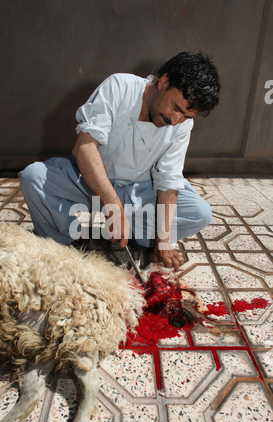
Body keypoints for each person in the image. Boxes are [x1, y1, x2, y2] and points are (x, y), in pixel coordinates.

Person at [19, 52, 220, 271]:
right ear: (164, 81)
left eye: (186, 116)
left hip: (141, 189)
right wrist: (113, 206)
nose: (175, 120)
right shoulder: (120, 86)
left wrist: (163, 241)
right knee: (34, 178)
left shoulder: (182, 124)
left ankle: (142, 242)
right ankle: (63, 242)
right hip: (91, 181)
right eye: (176, 108)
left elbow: (169, 181)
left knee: (199, 212)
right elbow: (84, 148)